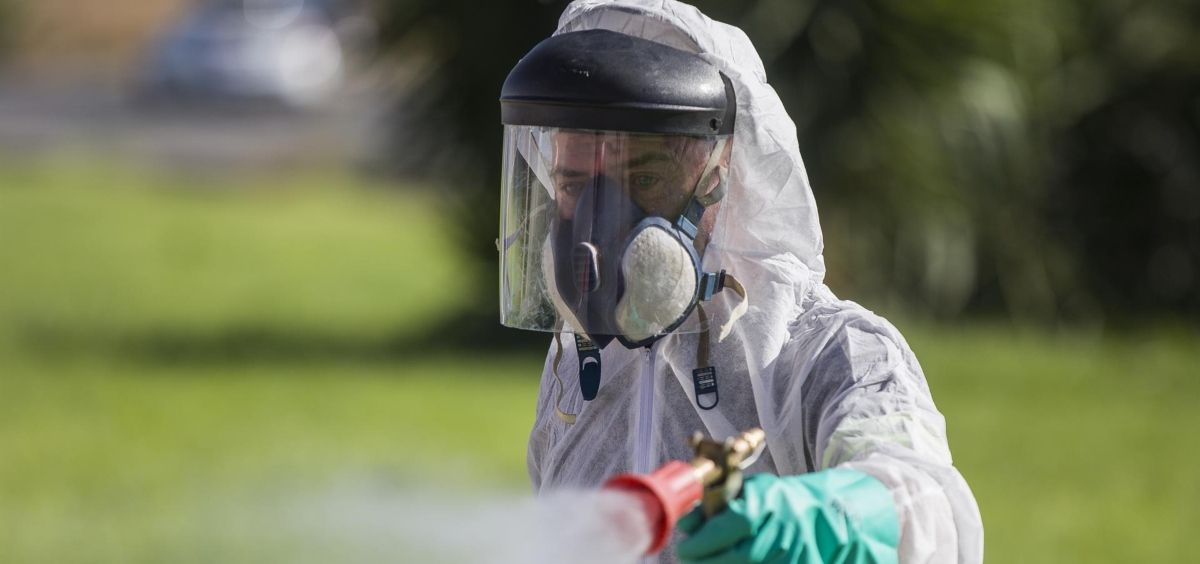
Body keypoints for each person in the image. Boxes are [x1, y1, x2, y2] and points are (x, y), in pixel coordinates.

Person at [497, 1, 983, 562]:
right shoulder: (577, 369)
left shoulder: (829, 352)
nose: (597, 225)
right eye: (575, 185)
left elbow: (931, 502)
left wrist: (828, 522)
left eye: (646, 176)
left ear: (721, 171)